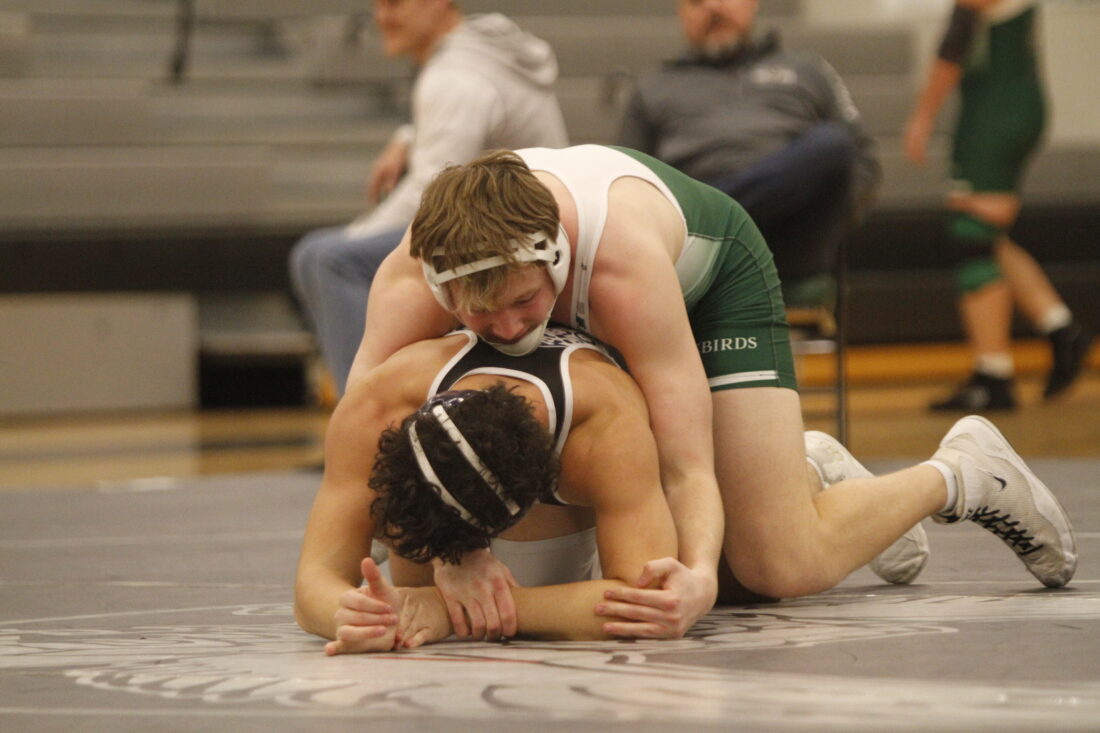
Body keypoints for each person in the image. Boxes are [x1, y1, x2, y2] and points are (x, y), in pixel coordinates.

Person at [344, 144, 1077, 639]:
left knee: (773, 565)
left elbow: (684, 464)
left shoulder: (619, 269)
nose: (508, 329)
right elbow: (369, 447)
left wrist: (696, 576)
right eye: (481, 312)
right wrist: (453, 547)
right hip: (602, 304)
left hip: (710, 282)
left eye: (525, 302)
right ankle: (800, 469)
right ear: (441, 287)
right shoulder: (410, 283)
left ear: (556, 257)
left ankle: (961, 471)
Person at [294, 325, 682, 651]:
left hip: (560, 492)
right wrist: (353, 616)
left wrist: (445, 610)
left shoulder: (604, 429)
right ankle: (407, 539)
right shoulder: (378, 405)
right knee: (402, 509)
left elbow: (648, 604)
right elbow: (314, 581)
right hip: (428, 449)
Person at [288, 0, 568, 394]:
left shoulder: (453, 76)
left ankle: (371, 410)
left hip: (510, 238)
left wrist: (357, 234)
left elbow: (430, 195)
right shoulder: (484, 51)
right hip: (523, 219)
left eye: (395, 3)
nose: (382, 17)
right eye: (378, 5)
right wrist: (408, 136)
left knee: (327, 259)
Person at [904, 0, 1093, 411]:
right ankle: (1061, 329)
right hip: (1004, 103)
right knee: (987, 238)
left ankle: (993, 375)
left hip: (995, 110)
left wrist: (923, 116)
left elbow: (954, 43)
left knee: (971, 238)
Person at [617, 0, 881, 289]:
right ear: (682, 14)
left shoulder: (809, 70)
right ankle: (711, 218)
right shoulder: (651, 87)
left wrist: (827, 217)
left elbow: (864, 162)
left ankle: (716, 215)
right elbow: (626, 184)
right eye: (697, 2)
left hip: (794, 238)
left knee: (831, 144)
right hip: (702, 249)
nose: (714, 7)